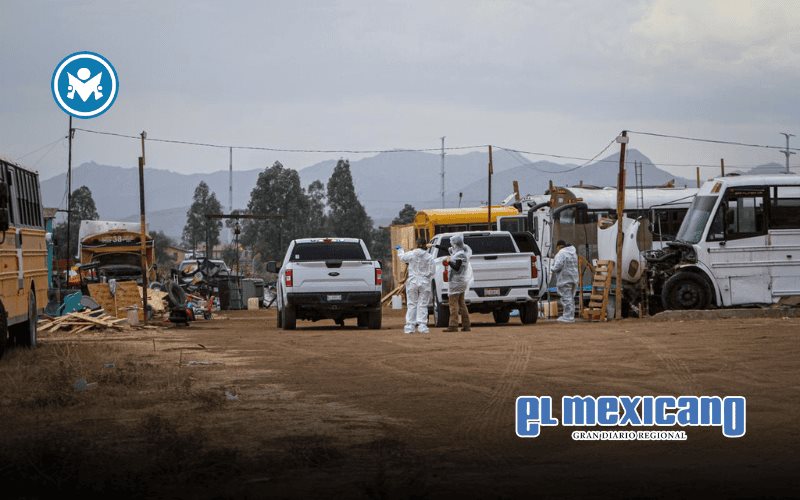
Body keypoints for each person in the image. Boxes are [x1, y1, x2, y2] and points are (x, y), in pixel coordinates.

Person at [396, 238, 435, 334]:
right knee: (423, 304)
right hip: (424, 282)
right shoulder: (429, 257)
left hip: (412, 281)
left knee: (412, 304)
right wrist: (426, 276)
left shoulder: (411, 254)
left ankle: (410, 326)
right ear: (425, 244)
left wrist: (399, 249)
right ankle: (422, 326)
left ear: (417, 244)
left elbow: (402, 257)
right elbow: (432, 271)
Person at [442, 233, 473, 332]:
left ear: (456, 243)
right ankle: (466, 325)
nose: (451, 245)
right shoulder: (460, 252)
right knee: (462, 303)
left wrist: (449, 261)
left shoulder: (460, 255)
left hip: (456, 282)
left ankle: (453, 325)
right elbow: (445, 249)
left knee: (453, 304)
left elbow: (457, 267)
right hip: (460, 282)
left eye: (452, 243)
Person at [552, 240, 579, 323]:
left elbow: (557, 266)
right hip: (573, 278)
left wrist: (551, 268)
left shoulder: (561, 253)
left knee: (566, 298)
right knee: (570, 298)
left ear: (558, 246)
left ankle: (568, 317)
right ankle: (570, 316)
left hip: (565, 279)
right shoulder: (573, 253)